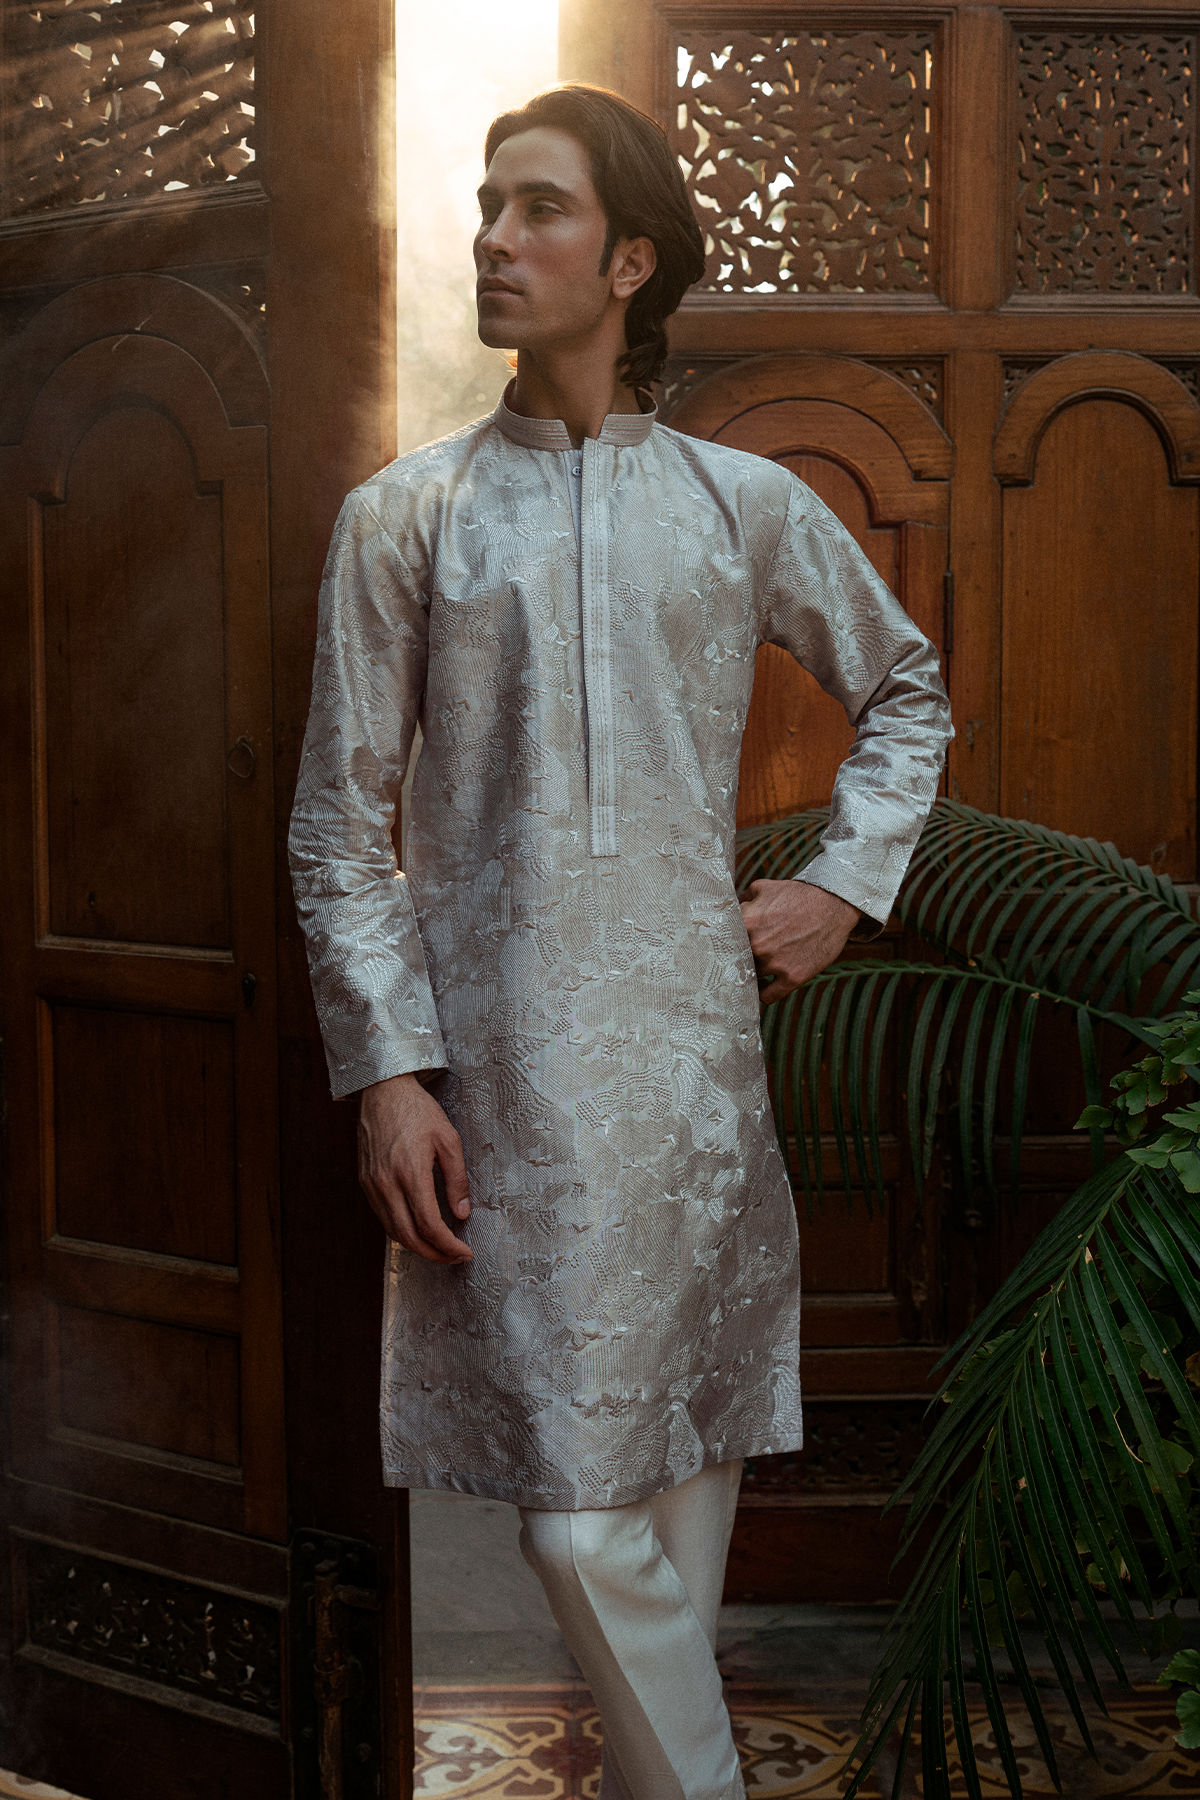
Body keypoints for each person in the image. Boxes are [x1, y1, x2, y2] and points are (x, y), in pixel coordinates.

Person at [289, 82, 952, 1800]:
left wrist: (843, 884)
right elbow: (337, 823)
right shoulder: (409, 517)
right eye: (487, 206)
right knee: (582, 1530)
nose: (493, 241)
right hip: (502, 1099)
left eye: (539, 209)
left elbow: (907, 689)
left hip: (692, 1090)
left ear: (631, 260)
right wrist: (388, 1073)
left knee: (676, 1507)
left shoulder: (742, 505)